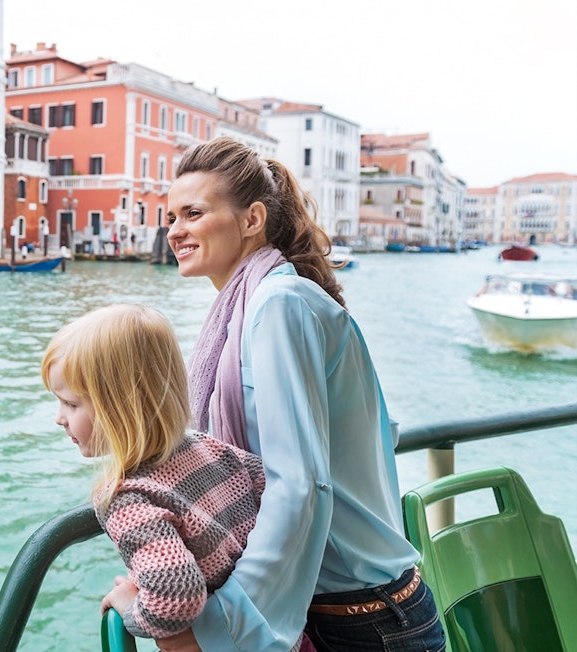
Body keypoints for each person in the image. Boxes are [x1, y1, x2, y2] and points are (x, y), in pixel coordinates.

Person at [154, 136, 445, 651]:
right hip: (362, 609)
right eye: (171, 216)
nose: (175, 230)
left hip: (363, 620)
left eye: (193, 213)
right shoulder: (261, 305)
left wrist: (227, 621)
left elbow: (300, 483)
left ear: (252, 220)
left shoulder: (278, 304)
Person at [40, 304, 297, 645]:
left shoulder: (127, 498)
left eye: (71, 404)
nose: (60, 417)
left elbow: (176, 596)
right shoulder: (206, 446)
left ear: (121, 407)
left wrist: (130, 609)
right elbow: (273, 495)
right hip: (280, 632)